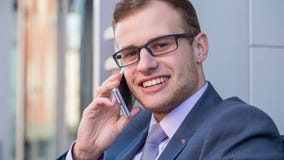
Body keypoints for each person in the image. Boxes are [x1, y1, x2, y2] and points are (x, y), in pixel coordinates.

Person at [58, 0, 284, 159]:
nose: (145, 65)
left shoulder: (239, 128)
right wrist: (84, 154)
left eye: (161, 45)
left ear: (199, 48)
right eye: (130, 53)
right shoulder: (123, 130)